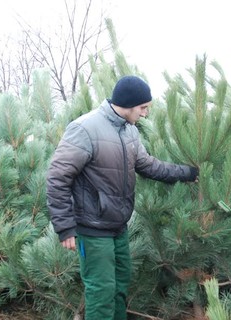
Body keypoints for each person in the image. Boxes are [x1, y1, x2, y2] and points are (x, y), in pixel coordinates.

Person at [46, 75, 198, 320]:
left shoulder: (129, 131)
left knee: (119, 286)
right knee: (101, 290)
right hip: (92, 227)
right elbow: (57, 178)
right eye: (143, 108)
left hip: (118, 226)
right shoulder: (85, 129)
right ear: (128, 104)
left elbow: (148, 165)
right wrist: (64, 227)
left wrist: (188, 173)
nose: (146, 113)